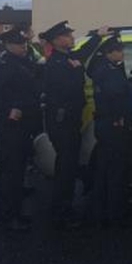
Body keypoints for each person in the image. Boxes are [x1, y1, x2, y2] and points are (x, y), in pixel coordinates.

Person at [41, 21, 109, 229]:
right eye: (67, 35)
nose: (71, 38)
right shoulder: (55, 64)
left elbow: (84, 52)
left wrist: (98, 36)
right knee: (66, 167)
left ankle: (64, 207)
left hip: (71, 119)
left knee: (69, 165)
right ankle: (61, 211)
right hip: (62, 121)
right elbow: (63, 90)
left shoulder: (68, 58)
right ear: (56, 40)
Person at [0, 29, 41, 231]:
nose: (23, 47)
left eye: (24, 43)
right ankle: (8, 216)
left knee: (16, 170)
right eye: (19, 44)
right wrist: (7, 110)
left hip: (23, 124)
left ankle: (13, 210)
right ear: (7, 45)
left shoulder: (21, 62)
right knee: (11, 172)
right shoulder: (3, 66)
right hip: (11, 126)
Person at [87, 36, 132, 227]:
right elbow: (116, 96)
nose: (122, 53)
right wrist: (119, 117)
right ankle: (116, 213)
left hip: (104, 125)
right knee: (115, 170)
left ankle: (100, 210)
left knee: (104, 169)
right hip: (113, 125)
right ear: (109, 52)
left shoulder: (101, 69)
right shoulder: (111, 72)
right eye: (119, 50)